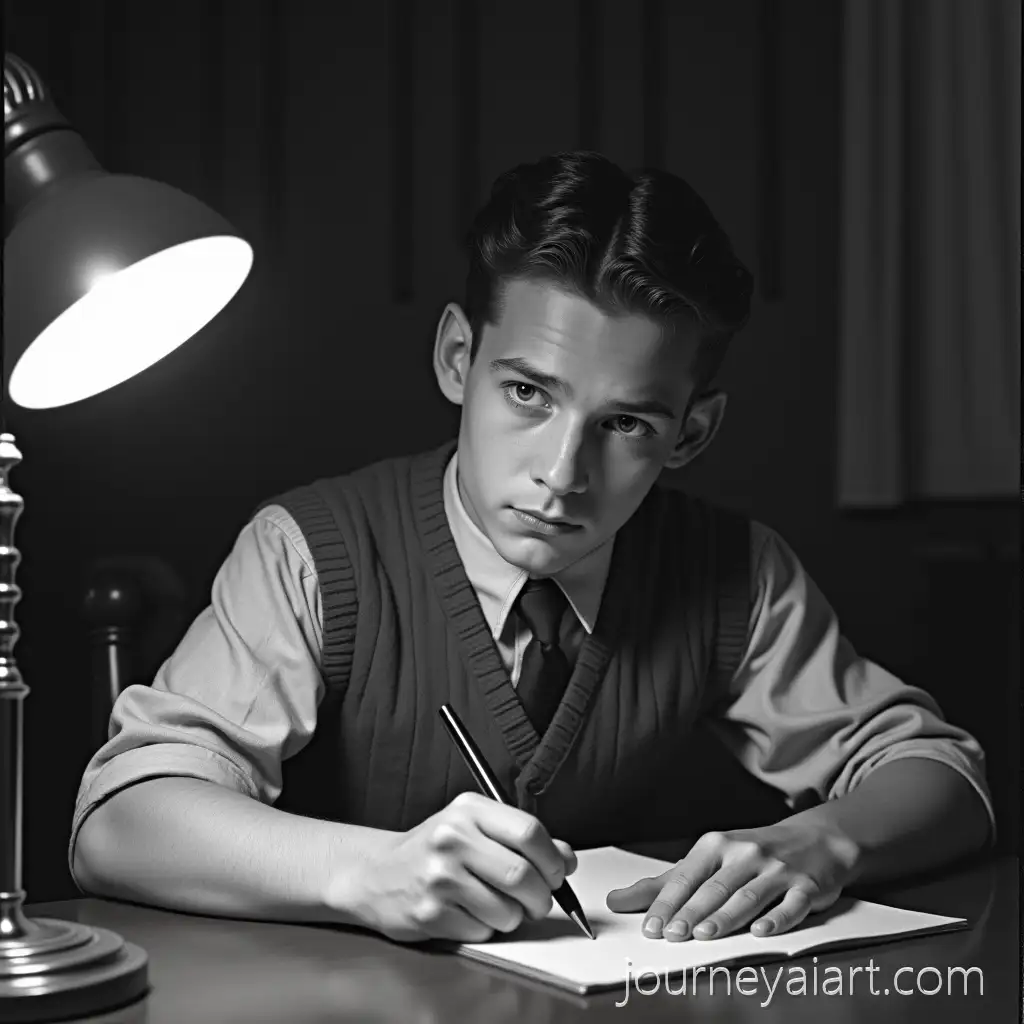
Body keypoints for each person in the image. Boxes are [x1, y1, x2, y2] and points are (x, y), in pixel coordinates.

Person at [71, 151, 992, 947]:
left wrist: (827, 839)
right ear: (457, 360)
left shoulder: (736, 573)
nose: (563, 472)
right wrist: (369, 872)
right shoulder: (314, 553)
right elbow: (120, 823)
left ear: (691, 435)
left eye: (625, 422)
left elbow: (943, 777)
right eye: (529, 395)